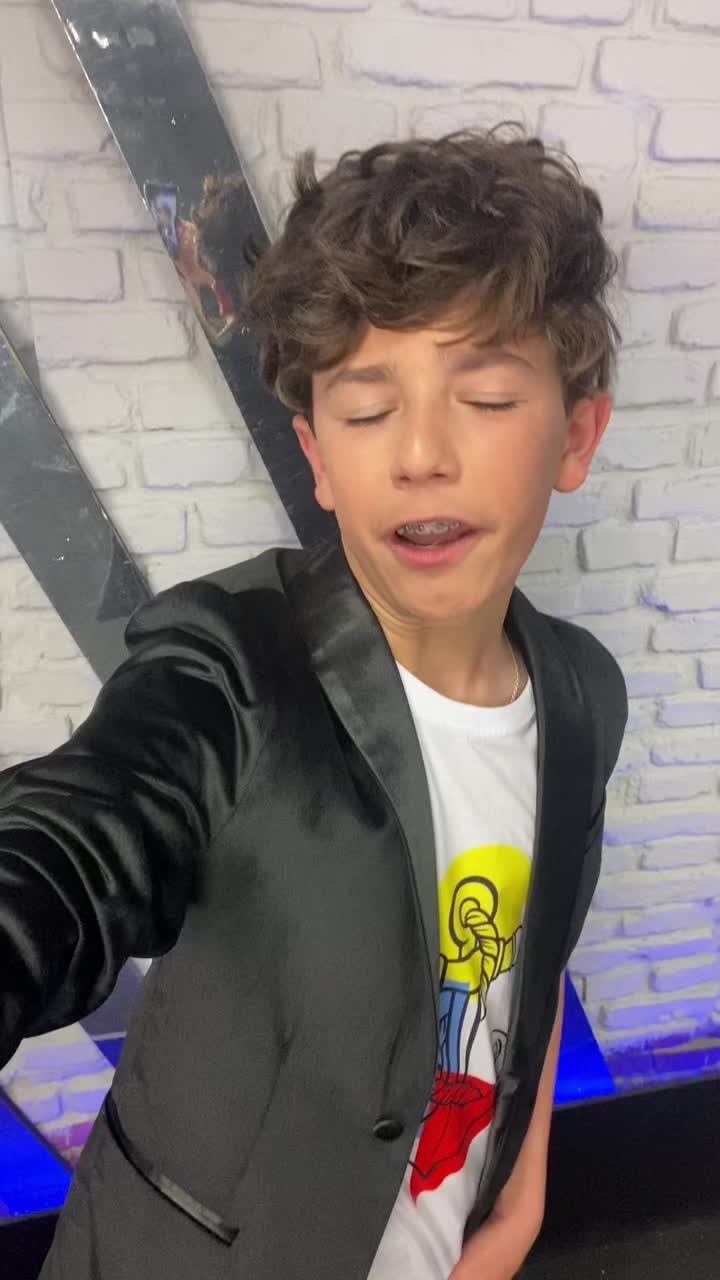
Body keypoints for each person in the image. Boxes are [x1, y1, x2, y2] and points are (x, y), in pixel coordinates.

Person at [0, 125, 627, 1280]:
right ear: (320, 457)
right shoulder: (228, 668)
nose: (421, 452)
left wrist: (522, 1184)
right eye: (368, 408)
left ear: (576, 434)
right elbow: (67, 848)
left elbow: (533, 958)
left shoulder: (585, 691)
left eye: (487, 395)